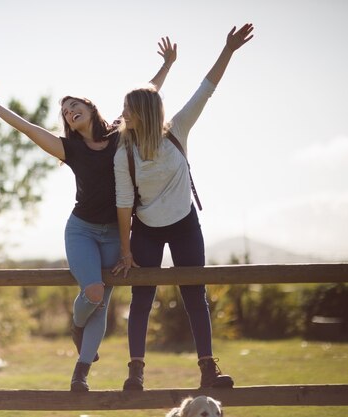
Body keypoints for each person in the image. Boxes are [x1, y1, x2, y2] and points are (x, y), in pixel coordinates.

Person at [0, 38, 176, 392]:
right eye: (65, 111)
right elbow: (25, 127)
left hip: (116, 232)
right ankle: (75, 323)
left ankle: (80, 373)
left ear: (90, 106)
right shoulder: (68, 148)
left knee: (101, 305)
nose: (69, 111)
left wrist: (168, 64)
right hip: (82, 230)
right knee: (95, 294)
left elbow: (147, 95)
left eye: (74, 105)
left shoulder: (119, 133)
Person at [111, 23, 254, 390]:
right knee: (142, 297)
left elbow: (206, 89)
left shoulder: (177, 129)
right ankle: (135, 372)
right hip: (145, 228)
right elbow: (124, 203)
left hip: (184, 223)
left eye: (128, 108)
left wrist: (228, 50)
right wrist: (126, 252)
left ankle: (208, 368)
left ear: (141, 113)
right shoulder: (123, 151)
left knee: (195, 294)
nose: (122, 113)